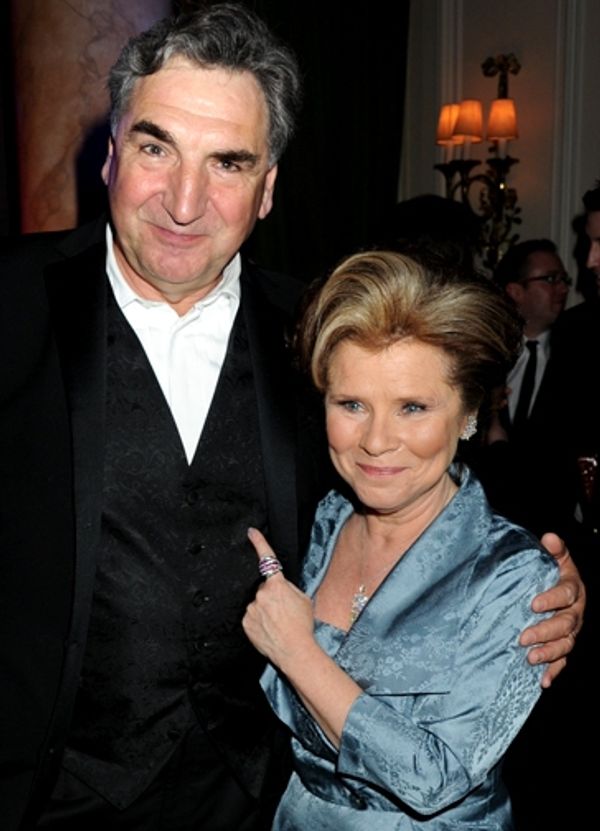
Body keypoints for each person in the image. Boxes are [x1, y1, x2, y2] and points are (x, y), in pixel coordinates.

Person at [0, 5, 585, 831]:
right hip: (45, 791)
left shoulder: (321, 335)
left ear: (268, 188)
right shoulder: (10, 303)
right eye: (157, 148)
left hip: (260, 793)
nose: (184, 202)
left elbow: (410, 469)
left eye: (228, 162)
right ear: (111, 152)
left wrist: (540, 588)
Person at [243, 251, 567, 829]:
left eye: (412, 407)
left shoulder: (513, 574)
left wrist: (296, 652)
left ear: (468, 414)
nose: (375, 441)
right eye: (352, 404)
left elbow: (437, 777)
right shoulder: (320, 521)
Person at [470, 239, 577, 540]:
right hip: (485, 522)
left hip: (551, 529)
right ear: (515, 291)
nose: (562, 288)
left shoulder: (577, 355)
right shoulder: (485, 356)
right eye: (550, 279)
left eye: (564, 279)